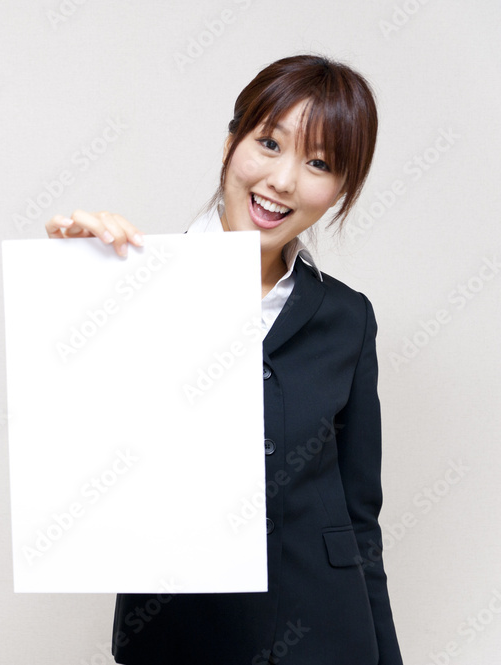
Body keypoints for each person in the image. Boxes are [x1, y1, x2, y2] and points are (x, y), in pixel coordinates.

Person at [44, 54, 403, 665]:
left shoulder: (348, 318)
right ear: (231, 143)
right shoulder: (130, 289)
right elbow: (80, 455)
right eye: (269, 143)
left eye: (318, 163)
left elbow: (357, 516)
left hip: (327, 632)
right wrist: (73, 283)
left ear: (341, 189)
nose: (284, 180)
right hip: (182, 633)